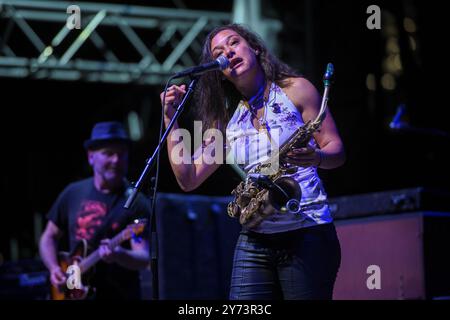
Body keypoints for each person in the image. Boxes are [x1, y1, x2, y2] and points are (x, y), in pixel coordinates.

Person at [161, 23, 346, 300]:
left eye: (234, 43)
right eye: (219, 52)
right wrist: (170, 118)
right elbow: (188, 178)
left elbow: (337, 151)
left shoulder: (297, 89)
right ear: (219, 72)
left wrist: (318, 157)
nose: (228, 52)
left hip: (307, 230)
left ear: (255, 48)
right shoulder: (222, 119)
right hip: (256, 236)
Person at [39, 121, 150, 300]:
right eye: (108, 153)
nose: (116, 160)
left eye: (121, 154)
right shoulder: (73, 192)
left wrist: (120, 255)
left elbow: (143, 256)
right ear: (91, 157)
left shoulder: (136, 202)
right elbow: (48, 236)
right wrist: (54, 268)